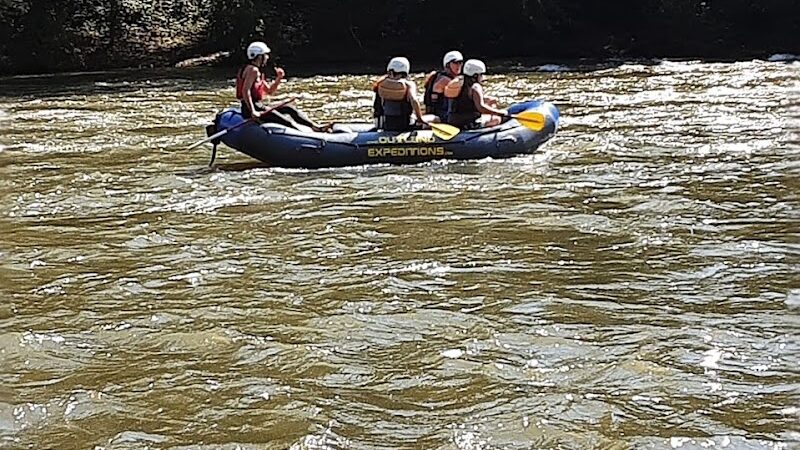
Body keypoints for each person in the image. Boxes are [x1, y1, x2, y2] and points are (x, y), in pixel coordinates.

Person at [236, 41, 329, 132]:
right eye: (265, 55)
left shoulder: (256, 71)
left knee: (288, 108)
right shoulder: (253, 70)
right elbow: (246, 91)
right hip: (252, 109)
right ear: (259, 56)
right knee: (286, 121)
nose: (267, 57)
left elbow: (269, 91)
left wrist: (279, 78)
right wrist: (253, 111)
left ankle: (315, 127)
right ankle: (303, 134)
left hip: (259, 106)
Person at [443, 59, 508, 129]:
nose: (483, 77)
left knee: (491, 101)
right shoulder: (475, 87)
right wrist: (499, 113)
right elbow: (481, 108)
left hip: (452, 120)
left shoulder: (458, 82)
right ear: (475, 75)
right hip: (469, 123)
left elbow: (463, 99)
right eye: (481, 74)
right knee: (497, 119)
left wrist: (487, 100)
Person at [372, 57, 426, 132]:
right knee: (435, 118)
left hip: (384, 124)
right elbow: (414, 100)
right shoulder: (408, 84)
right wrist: (420, 119)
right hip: (404, 125)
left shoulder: (380, 83)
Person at [422, 50, 463, 120]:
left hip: (437, 112)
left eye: (460, 62)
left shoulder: (438, 75)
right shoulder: (446, 80)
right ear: (447, 65)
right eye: (455, 63)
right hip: (441, 115)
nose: (459, 65)